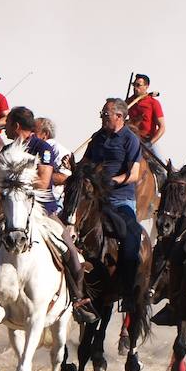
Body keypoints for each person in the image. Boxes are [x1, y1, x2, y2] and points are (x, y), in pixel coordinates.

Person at [0, 107, 97, 323]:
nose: (4, 129)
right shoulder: (6, 151)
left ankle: (78, 300)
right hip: (13, 213)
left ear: (16, 126)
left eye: (7, 125)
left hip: (43, 211)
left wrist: (16, 179)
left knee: (70, 252)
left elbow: (44, 182)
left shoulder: (42, 148)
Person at [74, 97, 146, 323]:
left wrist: (111, 182)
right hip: (95, 199)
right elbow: (84, 164)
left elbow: (134, 175)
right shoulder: (97, 138)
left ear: (119, 116)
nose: (102, 117)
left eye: (105, 114)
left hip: (120, 200)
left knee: (132, 234)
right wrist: (73, 167)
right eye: (102, 114)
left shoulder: (130, 140)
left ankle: (127, 290)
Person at [126, 73, 167, 172]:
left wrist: (150, 143)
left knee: (163, 169)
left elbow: (162, 127)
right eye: (134, 85)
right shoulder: (129, 102)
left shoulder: (153, 103)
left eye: (138, 85)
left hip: (148, 140)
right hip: (132, 139)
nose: (135, 88)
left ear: (146, 86)